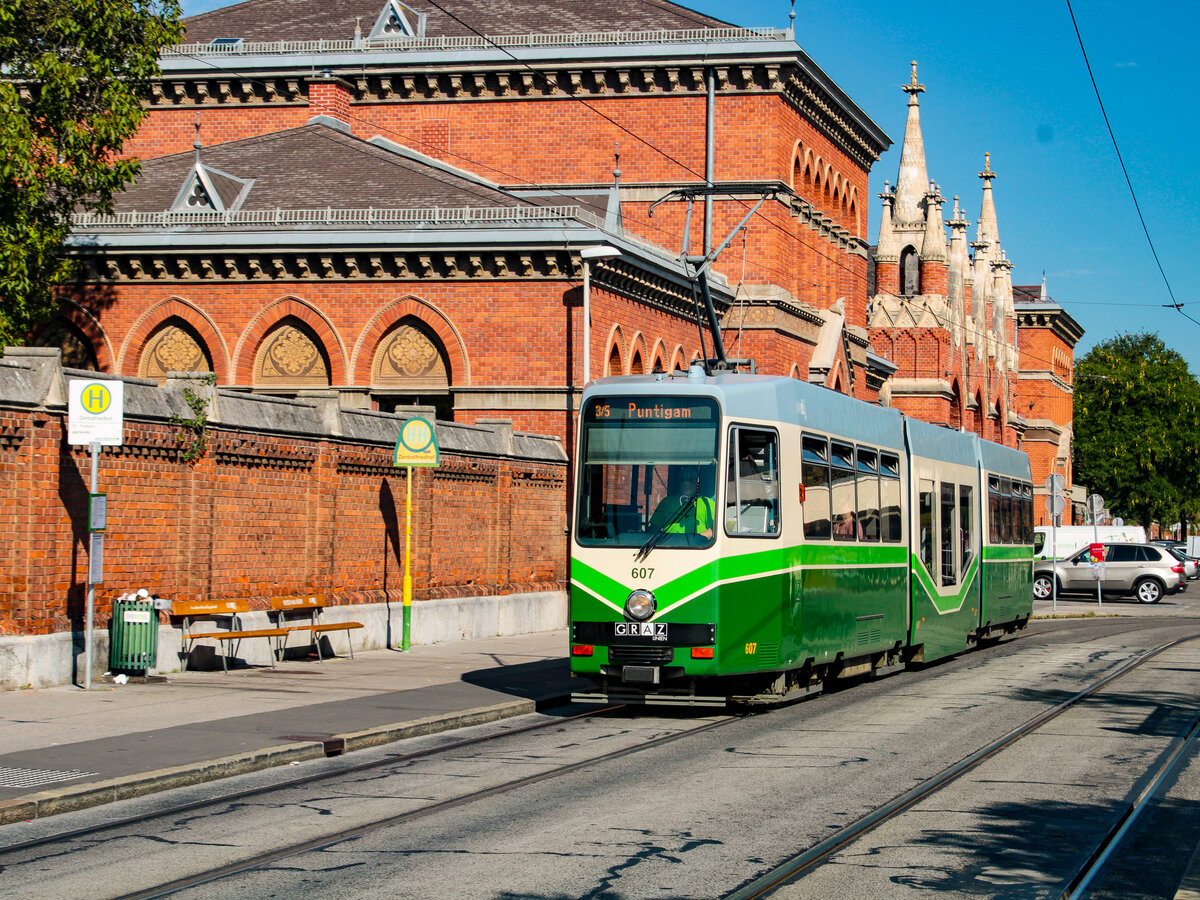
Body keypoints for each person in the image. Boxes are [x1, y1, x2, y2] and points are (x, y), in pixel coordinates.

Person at [648, 464, 715, 539]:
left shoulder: (708, 503)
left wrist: (696, 540)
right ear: (678, 482)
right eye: (682, 479)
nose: (686, 483)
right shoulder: (666, 502)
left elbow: (713, 530)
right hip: (668, 546)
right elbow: (653, 529)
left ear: (698, 482)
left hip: (698, 547)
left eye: (691, 479)